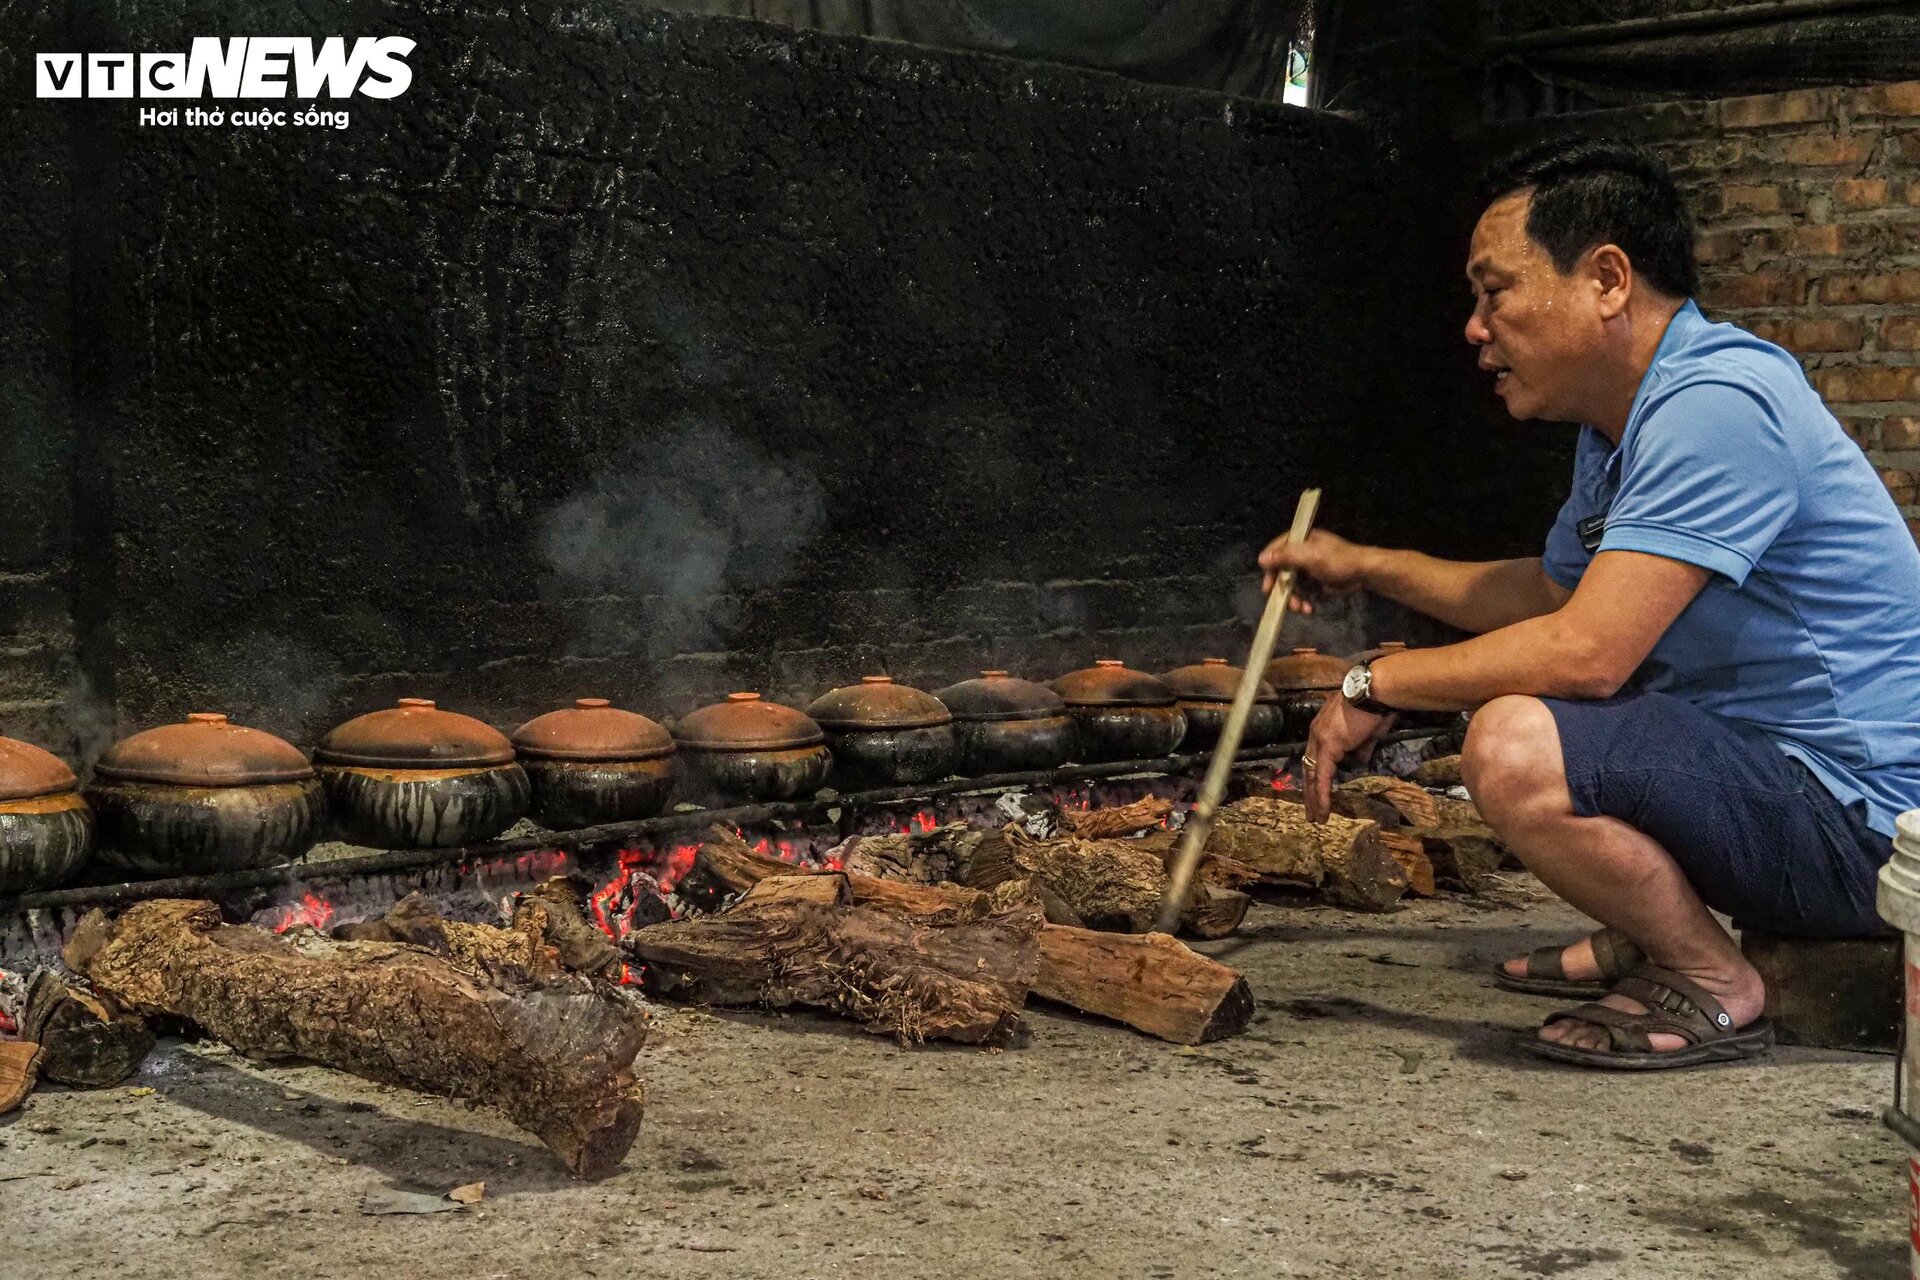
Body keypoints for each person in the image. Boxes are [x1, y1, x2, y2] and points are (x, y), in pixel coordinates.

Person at [1258, 136, 1920, 1070]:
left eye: (1496, 292)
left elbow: (1586, 649)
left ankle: (1711, 976)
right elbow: (1553, 592)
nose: (1475, 328)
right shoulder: (1625, 422)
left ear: (1608, 278)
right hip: (1787, 783)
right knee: (1557, 713)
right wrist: (1368, 563)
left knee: (1517, 742)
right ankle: (1659, 925)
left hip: (1869, 829)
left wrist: (1378, 681)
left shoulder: (1719, 402)